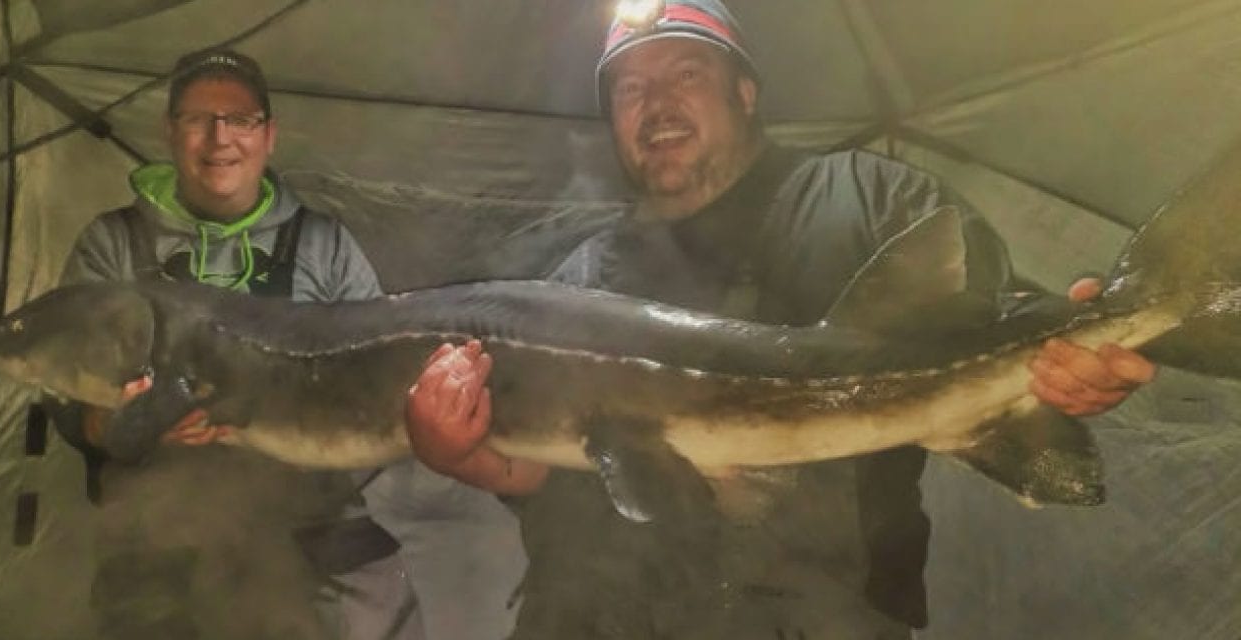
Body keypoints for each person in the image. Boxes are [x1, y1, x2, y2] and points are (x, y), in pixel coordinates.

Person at [403, 2, 1157, 638]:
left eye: (685, 75)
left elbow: (1003, 326)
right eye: (630, 87)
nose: (656, 103)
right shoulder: (577, 282)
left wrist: (1076, 367)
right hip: (596, 616)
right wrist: (460, 454)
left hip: (819, 616)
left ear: (746, 90)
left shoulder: (871, 203)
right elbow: (552, 473)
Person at [55, 48, 526, 640]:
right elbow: (66, 399)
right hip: (159, 533)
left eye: (241, 119)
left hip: (315, 528)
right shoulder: (112, 246)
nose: (219, 136)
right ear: (170, 132)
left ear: (269, 136)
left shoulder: (325, 247)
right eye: (199, 118)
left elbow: (380, 372)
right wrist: (117, 423)